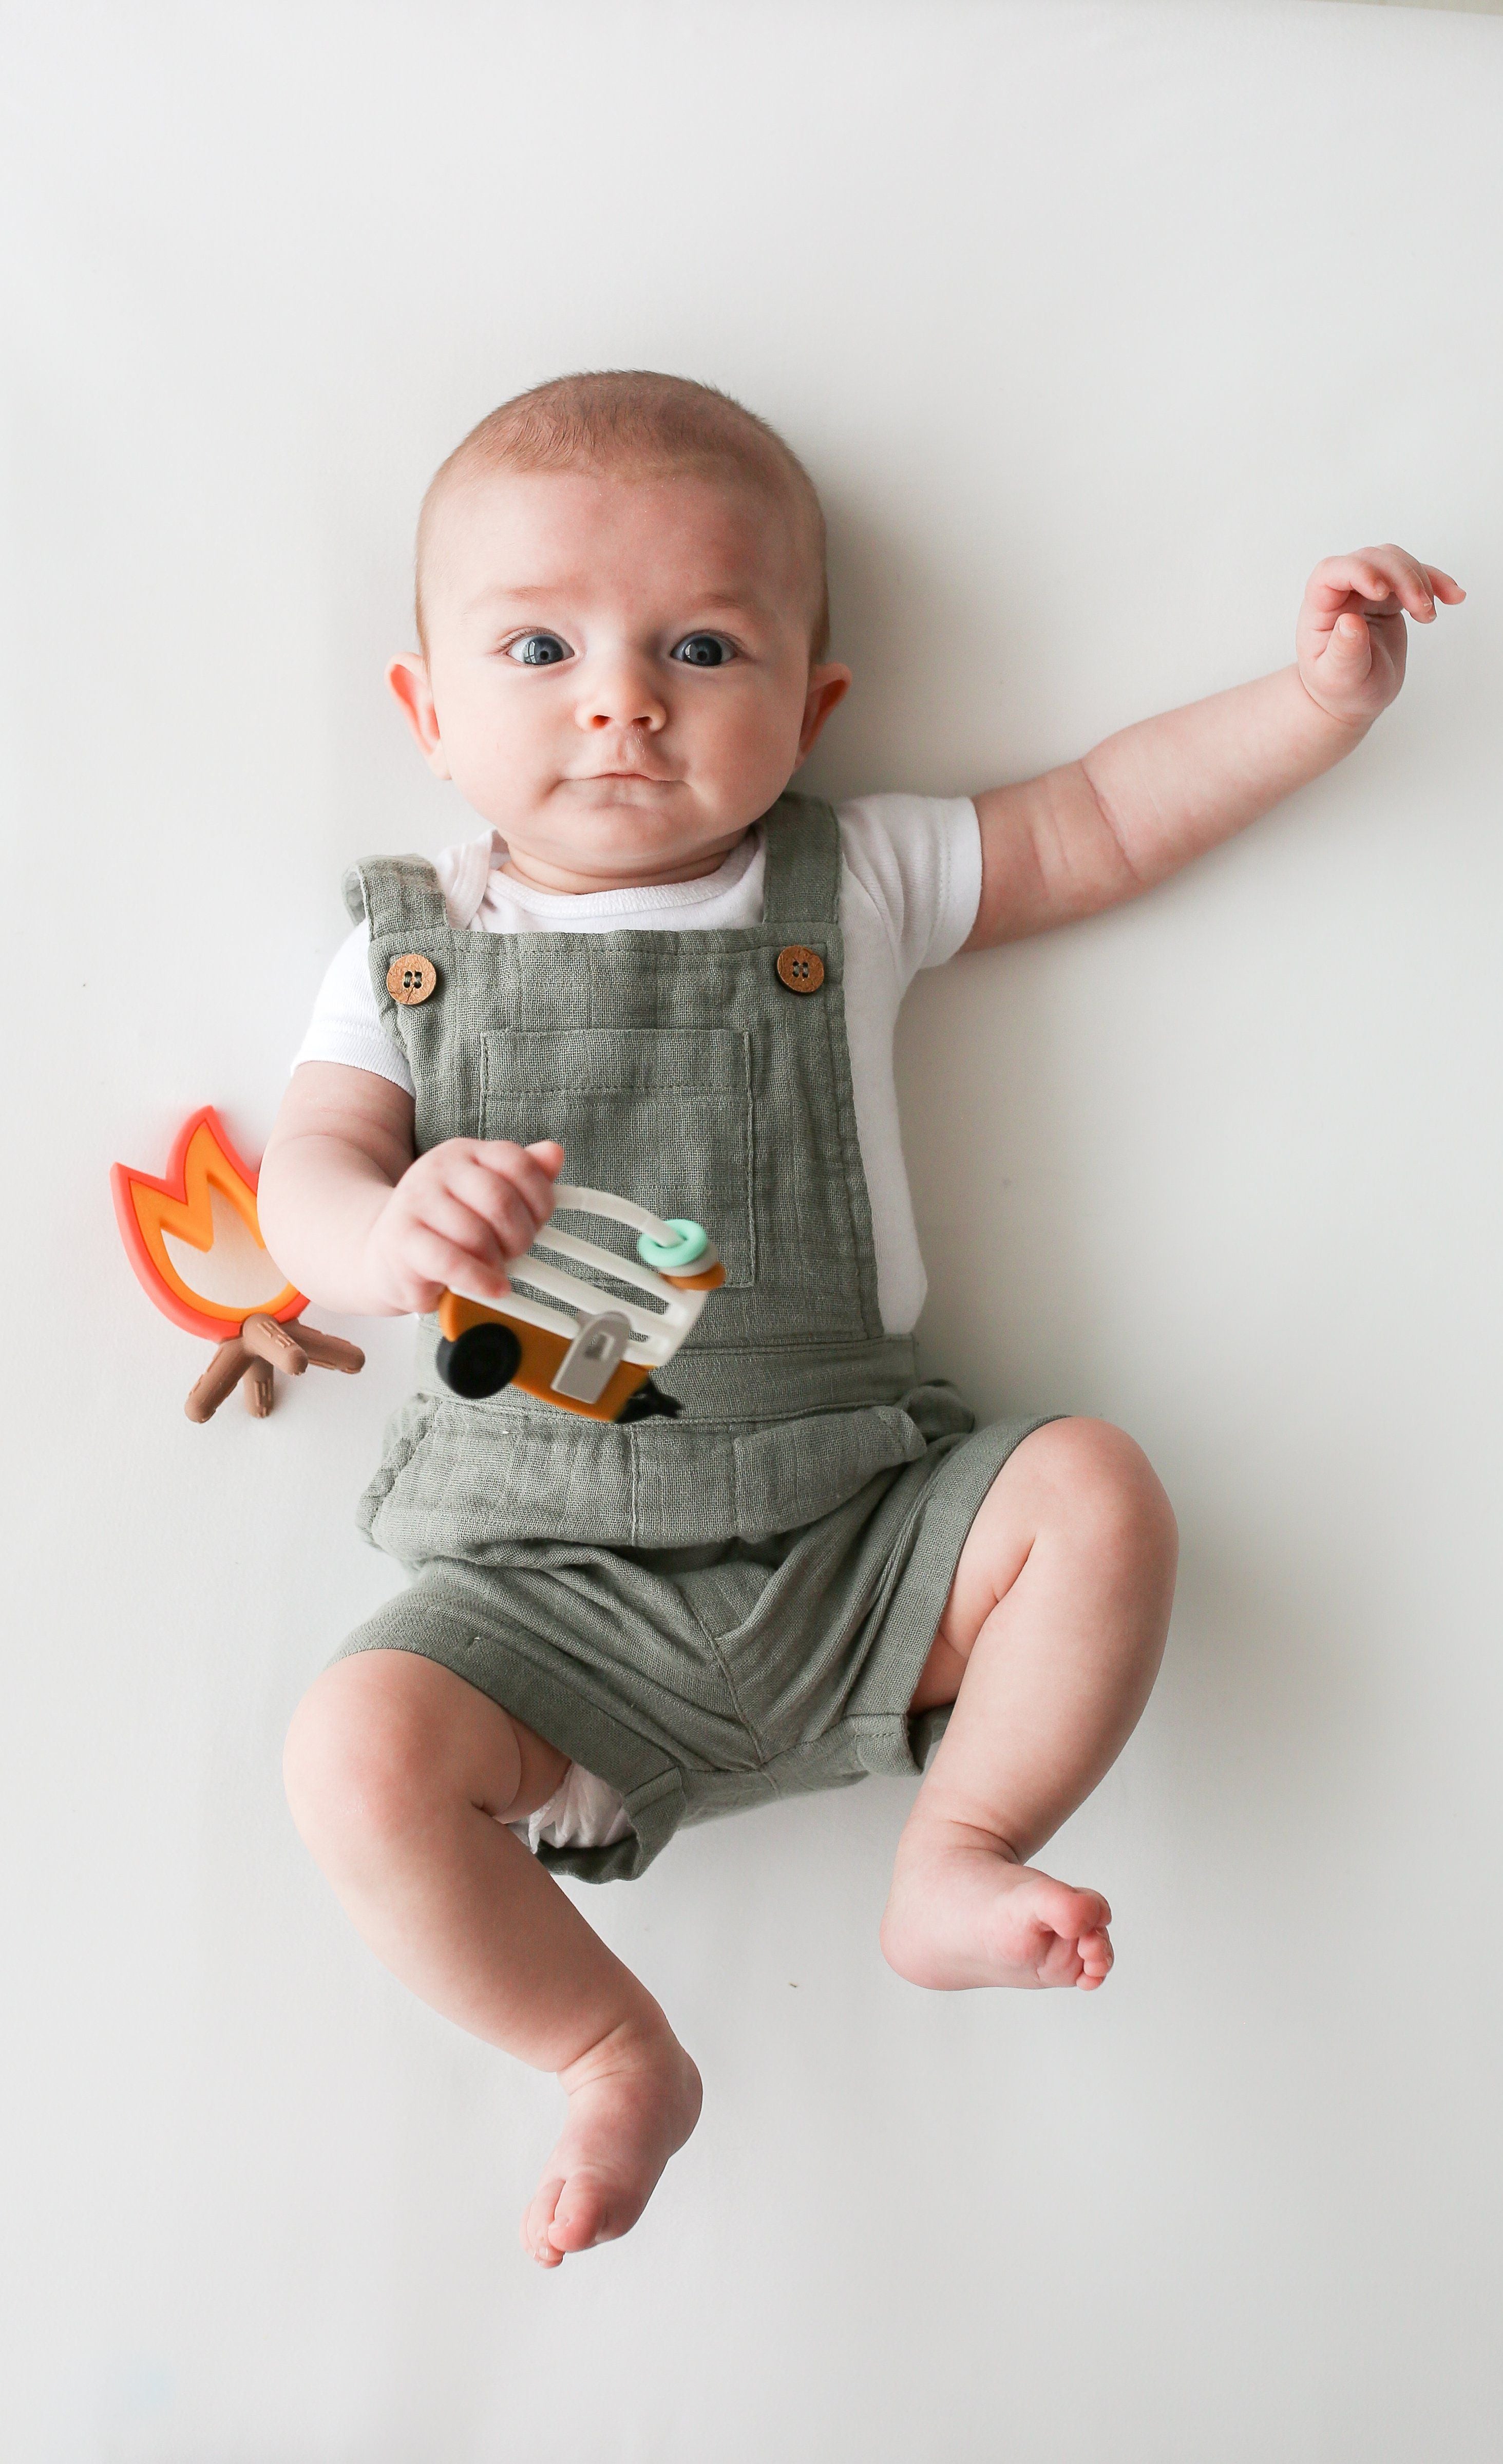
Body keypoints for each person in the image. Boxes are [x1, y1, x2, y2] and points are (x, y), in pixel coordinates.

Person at [256, 370, 1461, 2269]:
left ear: (811, 706)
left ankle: (959, 1848)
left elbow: (1103, 819)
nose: (623, 699)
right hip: (540, 1591)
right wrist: (388, 1224)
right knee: (348, 1750)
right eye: (543, 646)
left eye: (704, 645)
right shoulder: (404, 954)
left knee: (1092, 1486)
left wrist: (1311, 706)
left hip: (857, 1534)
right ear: (424, 710)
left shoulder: (857, 877)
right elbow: (300, 1180)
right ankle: (605, 2047)